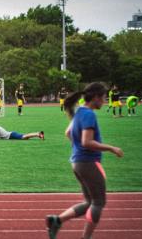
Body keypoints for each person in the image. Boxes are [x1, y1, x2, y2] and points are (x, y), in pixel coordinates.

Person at [45, 82, 124, 239]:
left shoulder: (80, 111)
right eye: (103, 98)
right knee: (99, 202)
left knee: (89, 202)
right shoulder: (88, 114)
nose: (104, 101)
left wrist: (78, 150)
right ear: (94, 97)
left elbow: (68, 132)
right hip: (88, 162)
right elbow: (87, 142)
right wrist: (111, 148)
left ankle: (57, 220)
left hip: (78, 162)